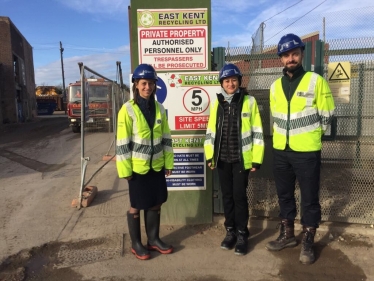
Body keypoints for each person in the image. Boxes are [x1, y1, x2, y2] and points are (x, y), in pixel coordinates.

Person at [265, 33, 335, 264]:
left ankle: (308, 239)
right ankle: (287, 234)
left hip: (306, 151)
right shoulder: (275, 86)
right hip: (281, 151)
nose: (291, 58)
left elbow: (327, 115)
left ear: (301, 54)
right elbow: (274, 118)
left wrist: (313, 136)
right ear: (280, 59)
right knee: (284, 195)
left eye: (294, 53)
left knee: (309, 198)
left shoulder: (316, 81)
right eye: (286, 55)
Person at [204, 63, 264, 255]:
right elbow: (211, 131)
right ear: (222, 83)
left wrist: (256, 159)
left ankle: (242, 234)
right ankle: (229, 232)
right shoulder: (217, 103)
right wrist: (210, 156)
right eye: (227, 80)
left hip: (241, 160)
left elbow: (257, 131)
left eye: (234, 80)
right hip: (221, 159)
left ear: (239, 81)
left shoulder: (249, 101)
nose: (230, 84)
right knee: (227, 197)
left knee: (239, 197)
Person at [116, 64, 174, 260]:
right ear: (136, 85)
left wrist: (168, 163)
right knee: (136, 205)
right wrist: (125, 169)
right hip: (137, 168)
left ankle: (153, 240)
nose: (147, 87)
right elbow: (122, 142)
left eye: (150, 83)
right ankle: (136, 244)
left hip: (156, 165)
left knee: (156, 202)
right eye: (143, 83)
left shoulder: (160, 109)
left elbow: (166, 138)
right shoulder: (127, 110)